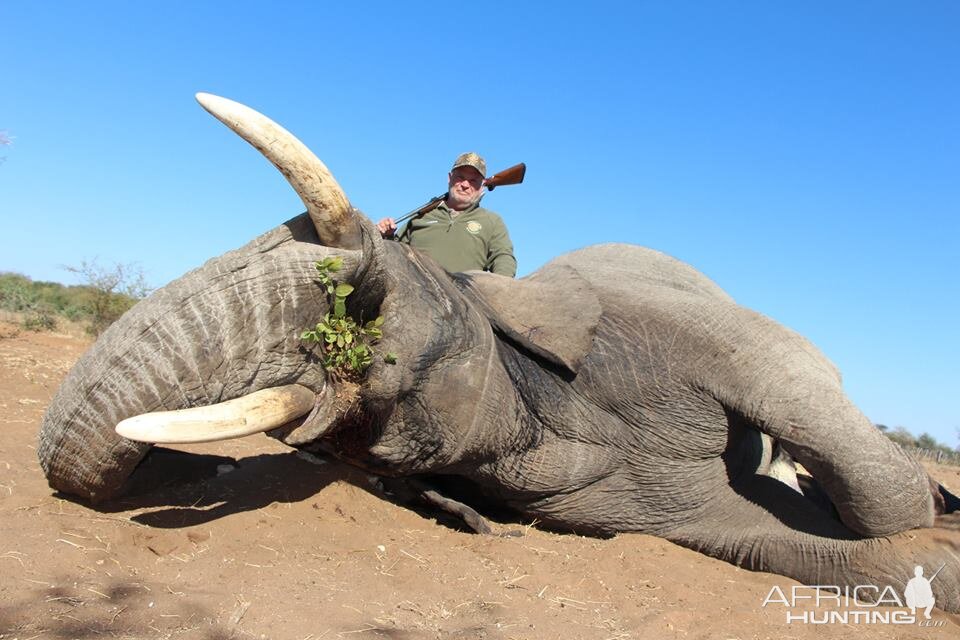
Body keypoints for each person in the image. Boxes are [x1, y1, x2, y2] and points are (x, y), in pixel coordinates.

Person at [377, 152, 517, 277]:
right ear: (449, 178)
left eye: (473, 180)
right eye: (460, 177)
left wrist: (501, 288)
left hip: (465, 302)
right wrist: (386, 235)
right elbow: (395, 255)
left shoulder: (492, 221)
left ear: (483, 185)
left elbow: (503, 258)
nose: (465, 185)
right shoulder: (422, 215)